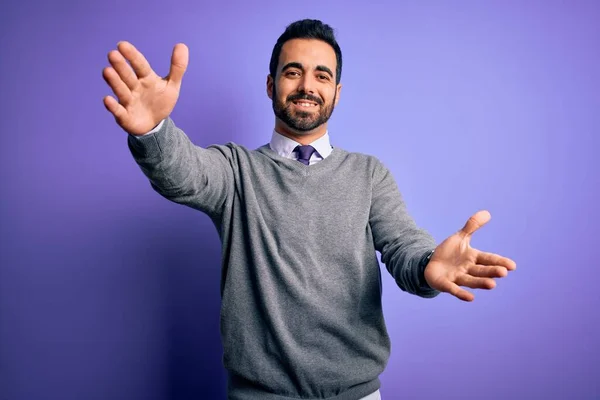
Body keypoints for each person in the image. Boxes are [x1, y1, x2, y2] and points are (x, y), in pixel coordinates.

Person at [102, 19, 516, 400]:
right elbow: (183, 174)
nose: (307, 85)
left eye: (323, 75)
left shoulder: (369, 174)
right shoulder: (235, 170)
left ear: (337, 91)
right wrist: (154, 130)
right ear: (270, 84)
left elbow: (403, 245)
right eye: (293, 71)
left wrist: (428, 265)